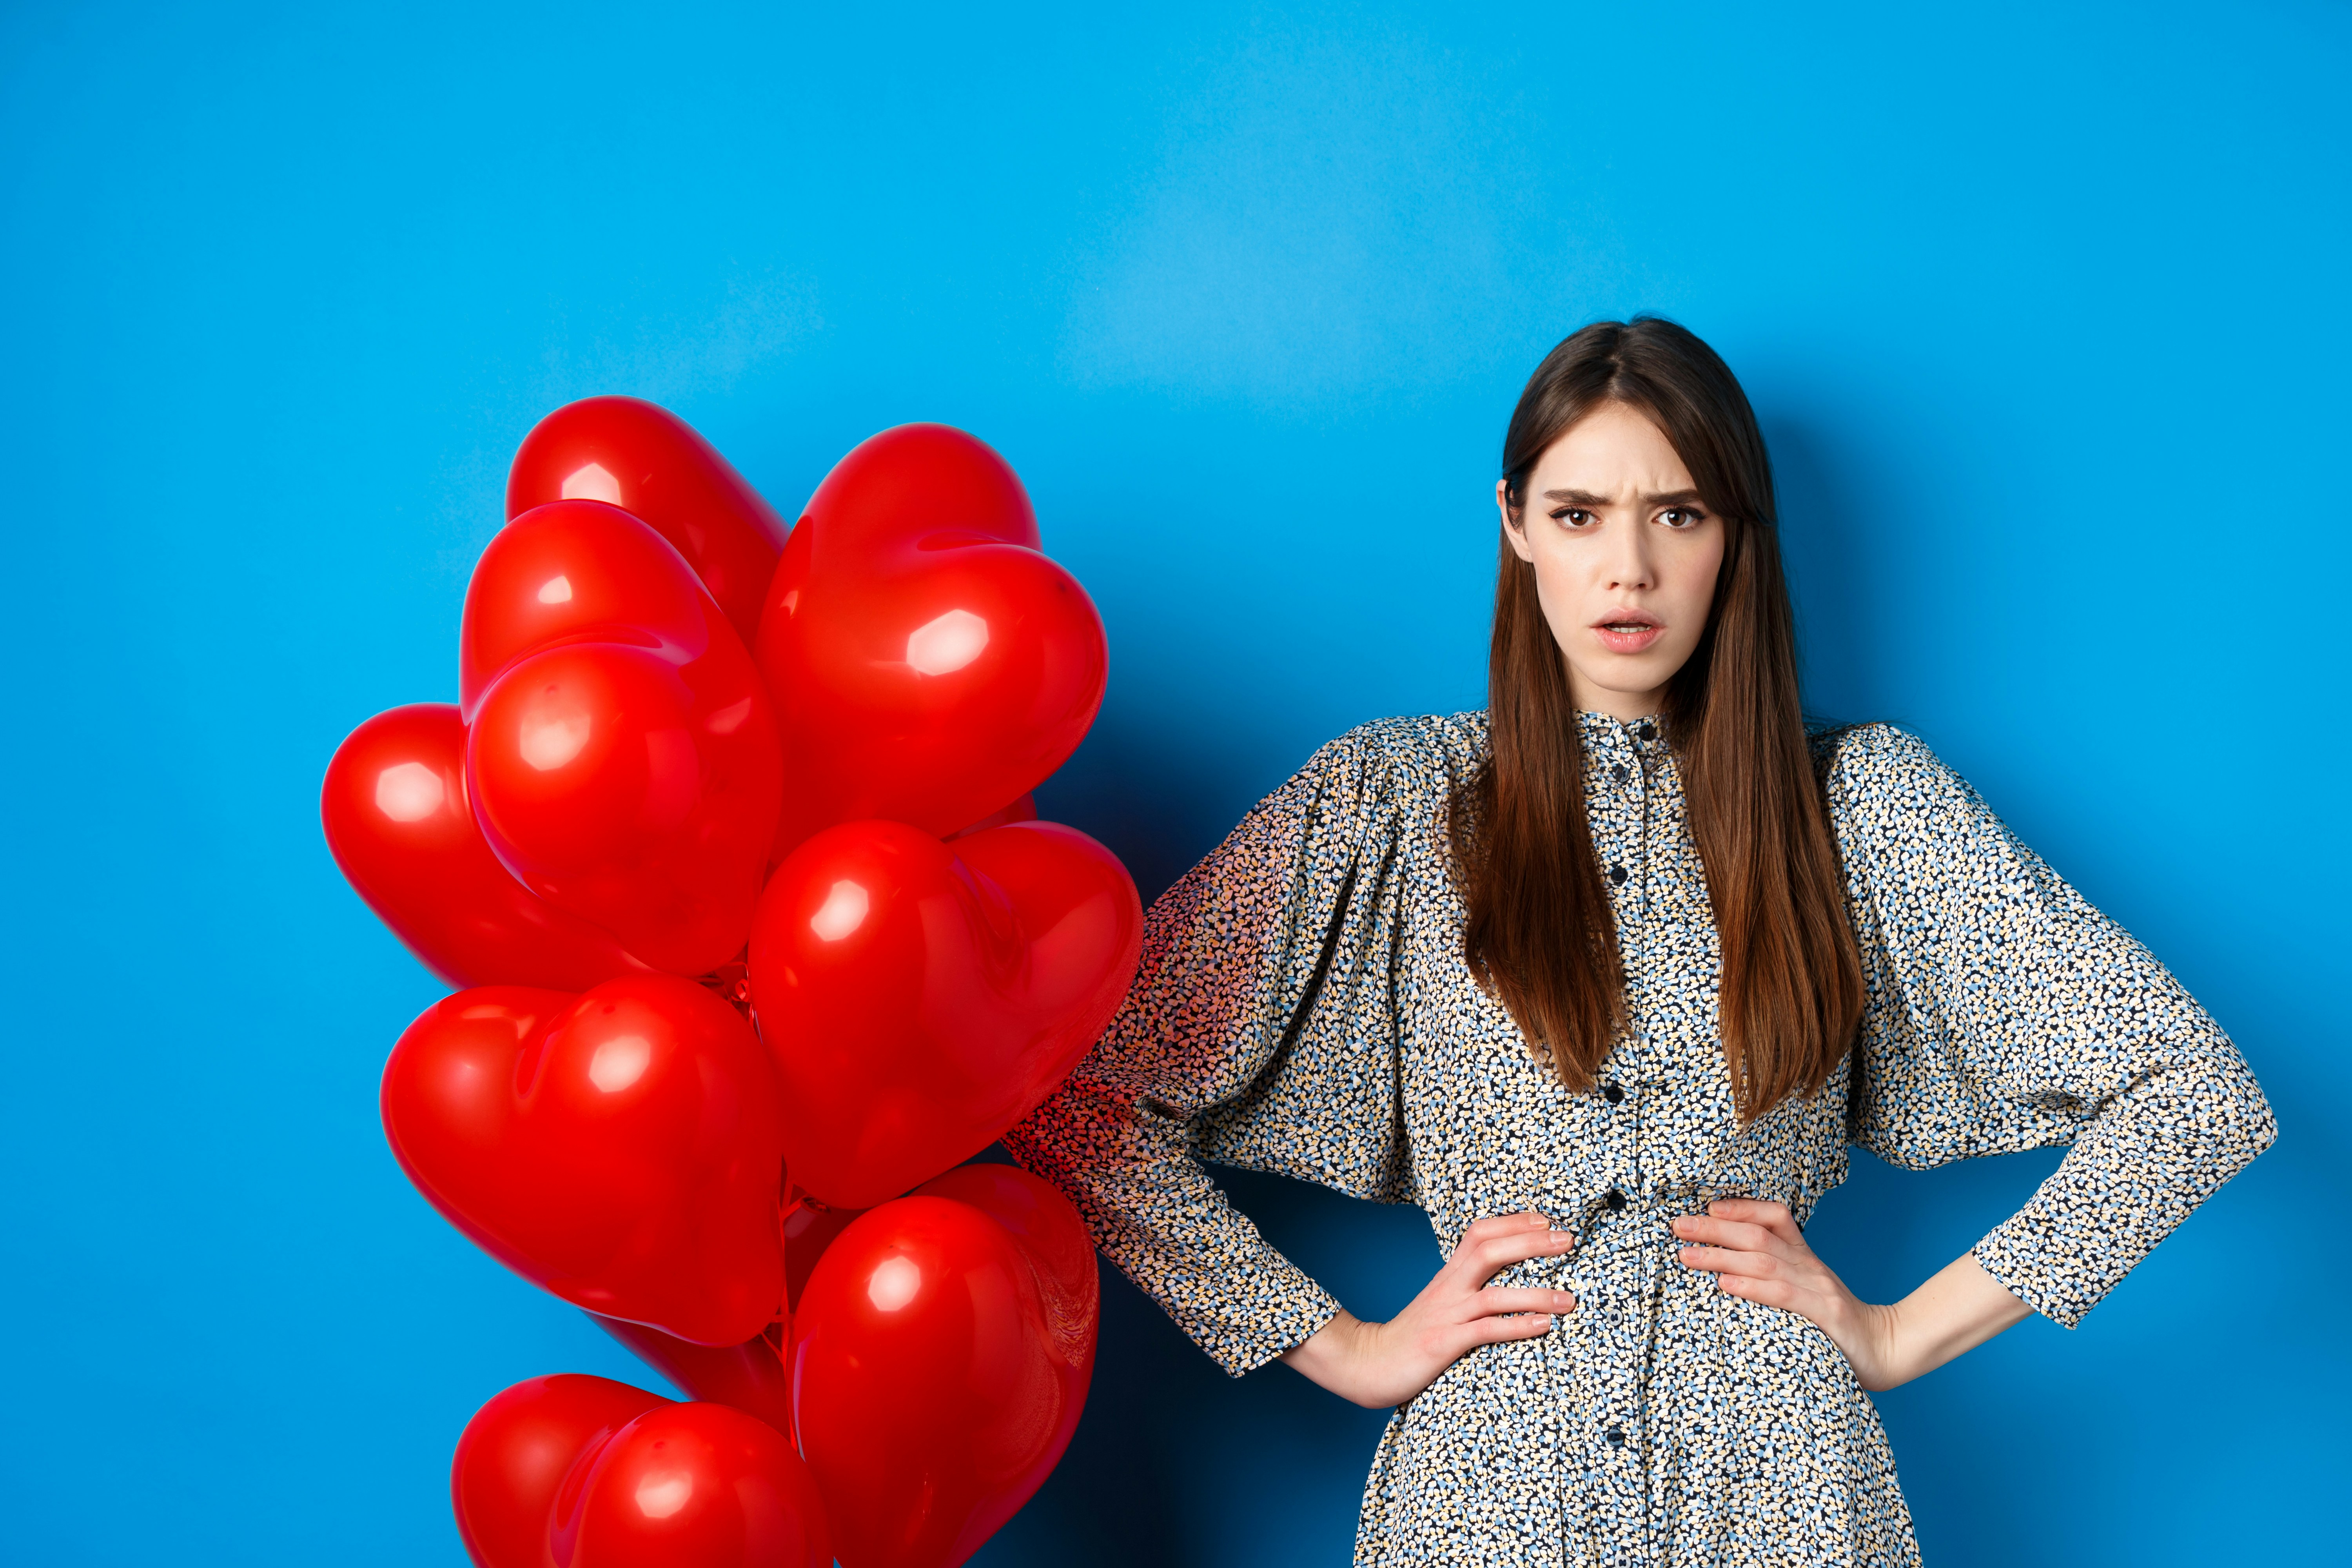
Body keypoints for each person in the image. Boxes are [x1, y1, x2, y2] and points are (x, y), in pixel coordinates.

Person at [1003, 318, 2274, 1566]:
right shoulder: (1390, 803)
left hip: (1781, 1490)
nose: (1629, 570)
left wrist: (1896, 1335)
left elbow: (2196, 1097)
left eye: (1678, 514)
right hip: (1489, 1503)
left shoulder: (1861, 810)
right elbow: (1070, 1088)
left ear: (1735, 539)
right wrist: (1339, 1343)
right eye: (1578, 514)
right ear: (1513, 525)